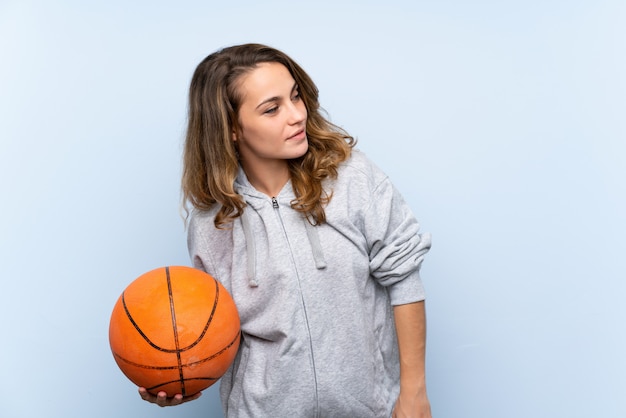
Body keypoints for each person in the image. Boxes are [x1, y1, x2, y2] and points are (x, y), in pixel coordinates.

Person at [139, 43, 433, 418]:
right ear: (231, 128)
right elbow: (215, 333)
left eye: (296, 96)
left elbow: (404, 280)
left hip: (370, 409)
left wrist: (413, 393)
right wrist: (176, 376)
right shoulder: (212, 222)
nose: (297, 115)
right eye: (272, 108)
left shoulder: (352, 179)